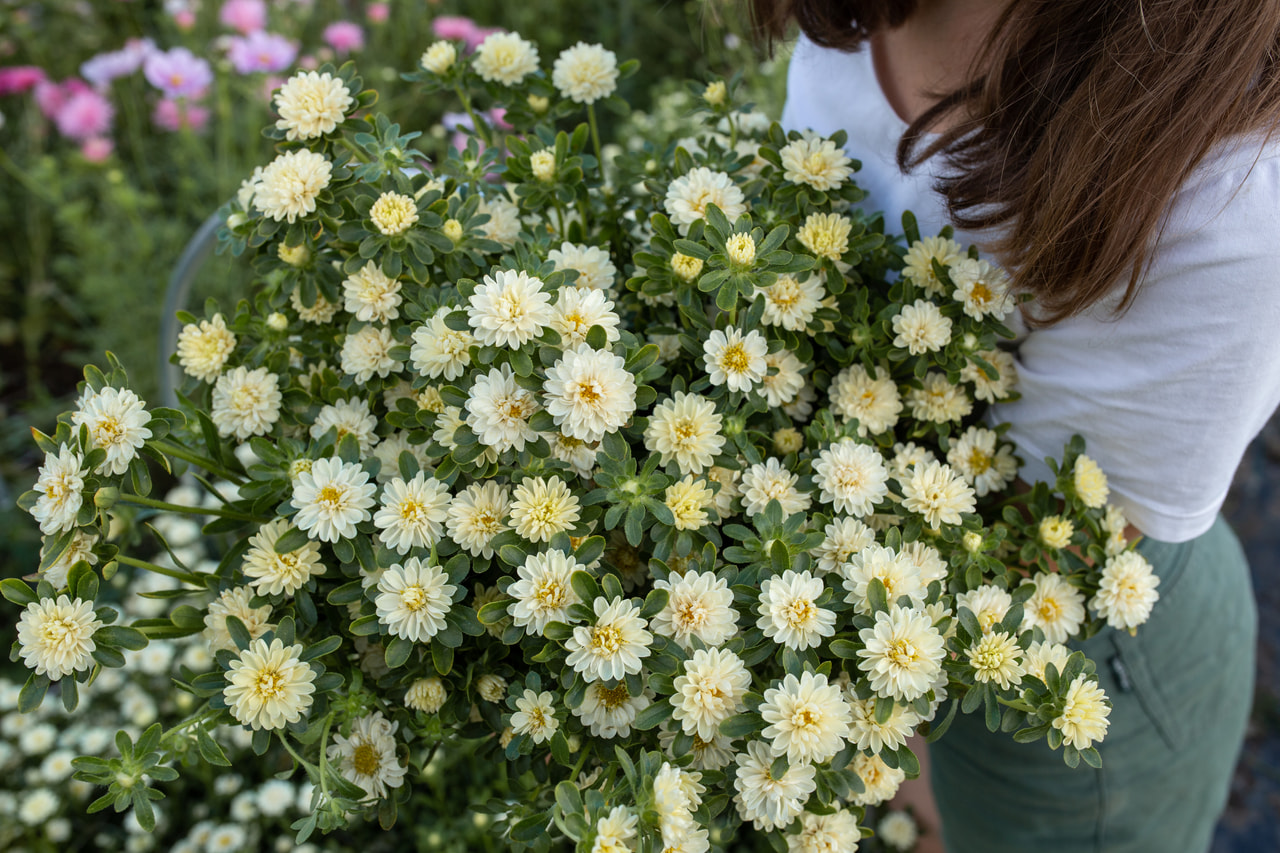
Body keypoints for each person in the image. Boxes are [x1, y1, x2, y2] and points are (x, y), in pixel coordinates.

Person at [751, 1, 1278, 851]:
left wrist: (872, 714)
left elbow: (1054, 538)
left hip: (1080, 653)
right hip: (895, 588)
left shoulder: (1233, 198)